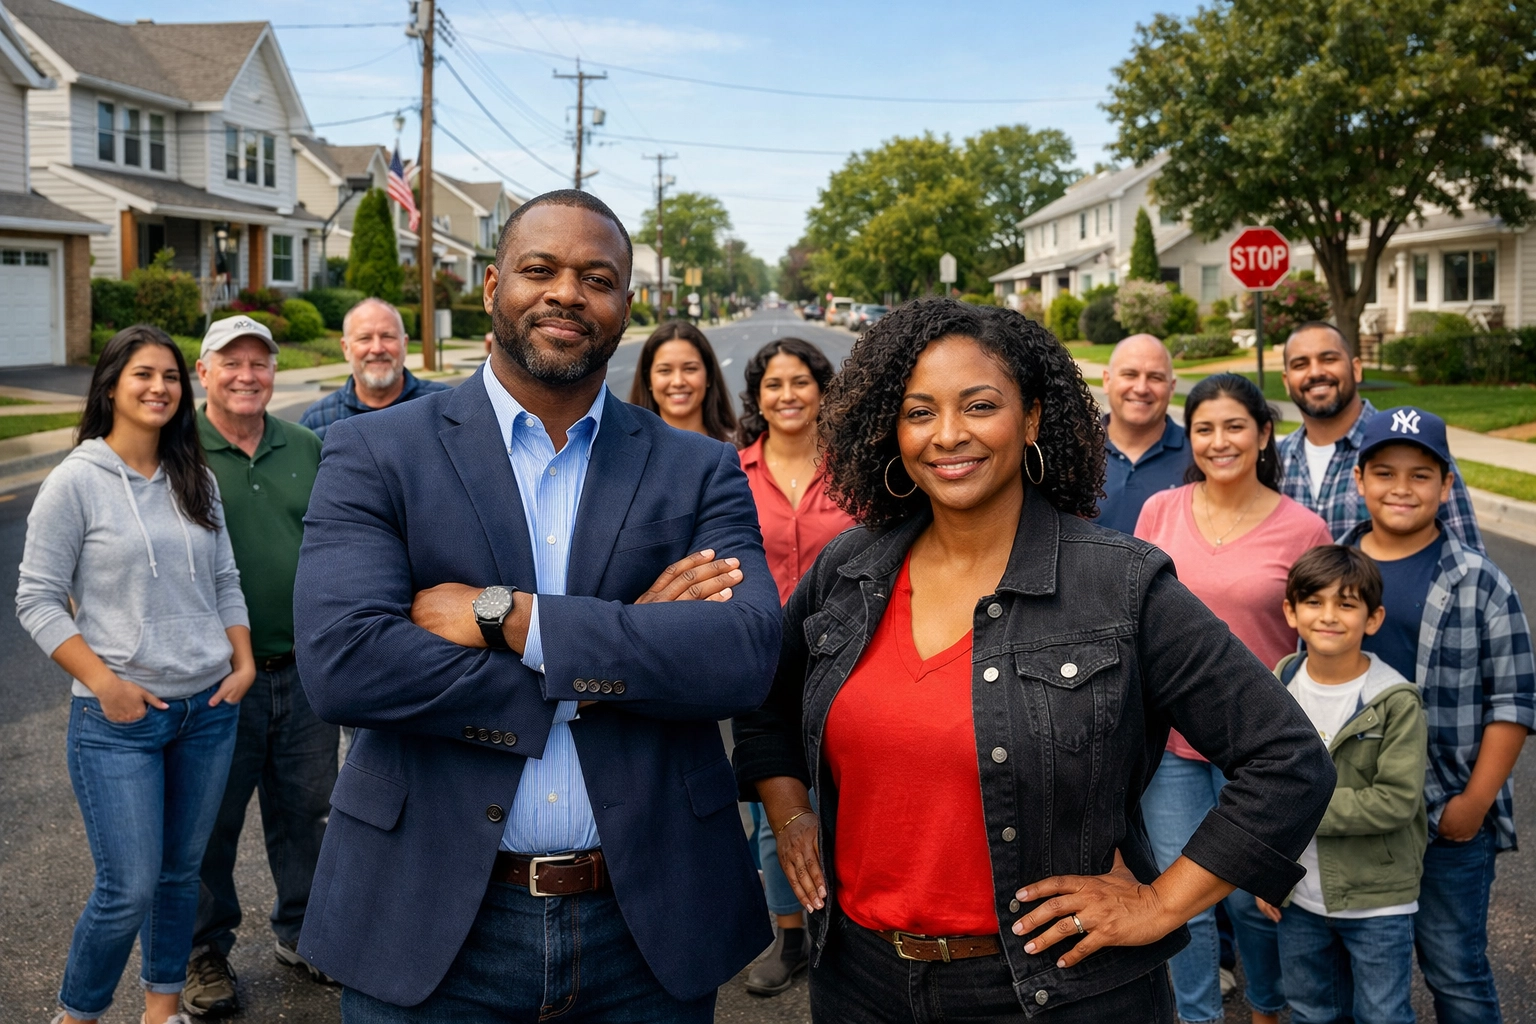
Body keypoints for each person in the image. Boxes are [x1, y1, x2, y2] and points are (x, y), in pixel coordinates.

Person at [733, 299, 1335, 1022]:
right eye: (919, 412)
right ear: (890, 431)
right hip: (861, 981)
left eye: (979, 405)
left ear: (1034, 418)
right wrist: (791, 813)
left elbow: (1288, 758)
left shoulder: (1120, 585)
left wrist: (1160, 903)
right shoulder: (849, 569)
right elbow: (767, 696)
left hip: (1052, 993)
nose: (948, 435)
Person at [292, 190, 782, 1021]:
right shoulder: (375, 451)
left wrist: (511, 620)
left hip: (646, 928)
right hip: (430, 918)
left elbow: (741, 656)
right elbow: (345, 666)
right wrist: (630, 652)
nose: (566, 292)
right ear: (491, 288)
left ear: (626, 305)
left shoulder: (697, 468)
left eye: (597, 277)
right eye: (539, 269)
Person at [16, 326, 255, 1024]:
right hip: (118, 720)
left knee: (181, 877)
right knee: (126, 886)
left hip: (209, 710)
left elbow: (225, 580)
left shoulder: (194, 476)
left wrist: (240, 663)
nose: (159, 388)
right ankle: (78, 1016)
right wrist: (109, 685)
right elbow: (35, 597)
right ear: (112, 386)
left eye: (171, 377)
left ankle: (161, 1009)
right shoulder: (76, 481)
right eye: (143, 374)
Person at [1133, 372, 1333, 1024]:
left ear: (1264, 434)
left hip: (1258, 747)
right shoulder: (1159, 510)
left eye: (1235, 426)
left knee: (1254, 895)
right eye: (1204, 428)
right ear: (1189, 438)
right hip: (1172, 744)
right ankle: (1196, 1016)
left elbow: (1317, 641)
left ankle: (1267, 1007)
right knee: (1177, 892)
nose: (1220, 441)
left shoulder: (1304, 528)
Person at [1342, 407, 1534, 1024]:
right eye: (1386, 473)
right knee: (1360, 971)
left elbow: (1512, 700)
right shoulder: (1329, 572)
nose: (1402, 488)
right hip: (1355, 816)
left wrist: (1474, 803)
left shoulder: (1481, 582)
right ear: (1359, 480)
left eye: (1421, 475)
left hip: (1445, 813)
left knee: (1455, 969)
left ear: (1447, 485)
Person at [178, 316, 334, 1018]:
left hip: (303, 671)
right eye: (230, 362)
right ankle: (203, 952)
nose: (247, 375)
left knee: (308, 810)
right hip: (212, 680)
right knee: (208, 821)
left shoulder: (307, 446)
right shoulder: (178, 451)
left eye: (259, 363)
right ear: (203, 374)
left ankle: (305, 931)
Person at [733, 337, 854, 996]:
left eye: (800, 382)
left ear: (822, 391)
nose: (788, 396)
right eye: (774, 385)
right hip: (759, 666)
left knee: (848, 799)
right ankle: (788, 937)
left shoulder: (852, 470)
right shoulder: (733, 471)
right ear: (757, 396)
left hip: (848, 662)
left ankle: (850, 929)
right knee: (773, 805)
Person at [1265, 545, 1426, 1024]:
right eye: (1314, 602)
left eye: (1347, 604)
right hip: (1298, 896)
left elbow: (1394, 801)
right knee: (1311, 1010)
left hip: (1378, 899)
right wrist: (1264, 872)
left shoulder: (1394, 700)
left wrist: (1302, 807)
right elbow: (1261, 783)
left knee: (1382, 1014)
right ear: (1291, 612)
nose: (1329, 616)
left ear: (1372, 618)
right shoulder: (1279, 682)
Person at [1277, 321, 1482, 550]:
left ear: (1356, 369)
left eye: (1329, 359)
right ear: (1286, 381)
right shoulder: (1273, 460)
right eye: (1300, 364)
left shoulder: (1413, 447)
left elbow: (1469, 562)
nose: (1315, 372)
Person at [298, 298, 450, 441]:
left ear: (404, 344)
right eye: (364, 338)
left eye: (387, 336)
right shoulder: (316, 422)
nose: (377, 349)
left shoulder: (445, 406)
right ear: (345, 348)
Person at [1096, 333, 1191, 533]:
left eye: (1155, 377)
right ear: (1107, 381)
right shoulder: (1074, 451)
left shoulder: (1199, 457)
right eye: (1130, 374)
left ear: (1171, 388)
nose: (1141, 388)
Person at [627, 320, 737, 441]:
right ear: (648, 380)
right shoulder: (625, 453)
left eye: (690, 369)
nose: (678, 382)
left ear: (709, 376)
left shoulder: (740, 450)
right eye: (665, 371)